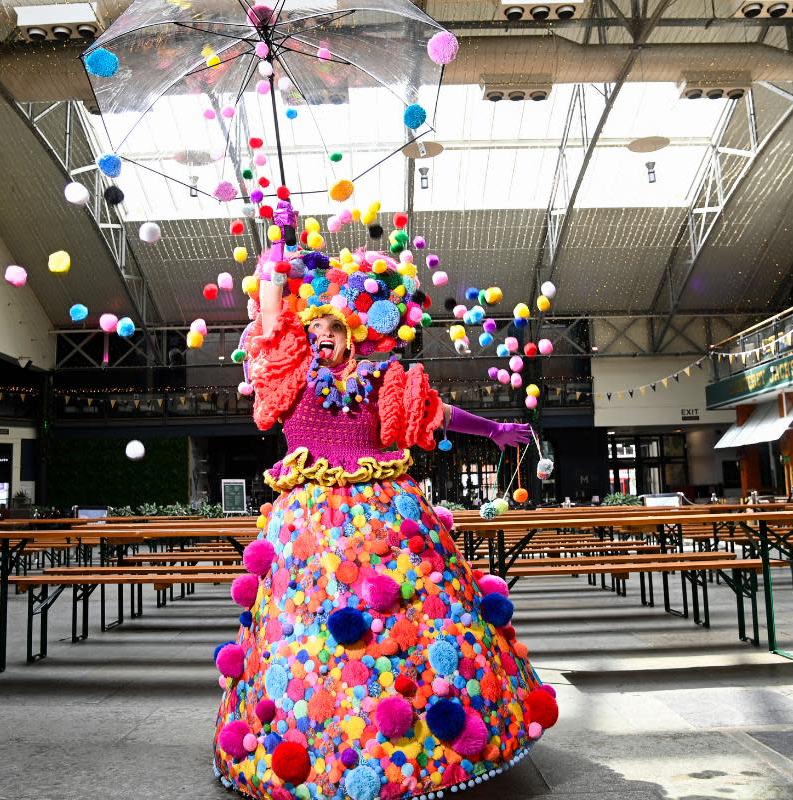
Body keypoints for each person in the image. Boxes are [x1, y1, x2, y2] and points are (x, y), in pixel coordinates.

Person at [212, 208, 558, 800]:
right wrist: (283, 248)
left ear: (353, 332)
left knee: (411, 626)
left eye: (332, 328)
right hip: (310, 537)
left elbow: (438, 415)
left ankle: (423, 733)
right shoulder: (287, 372)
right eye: (313, 326)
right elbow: (271, 306)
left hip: (389, 525)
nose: (321, 336)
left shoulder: (384, 381)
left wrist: (494, 430)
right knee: (307, 638)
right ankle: (309, 742)